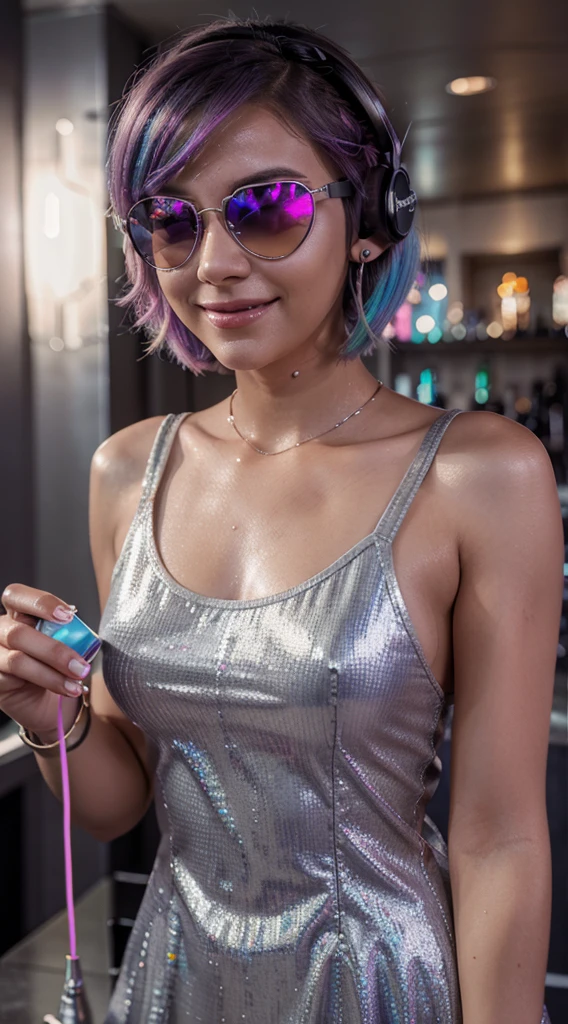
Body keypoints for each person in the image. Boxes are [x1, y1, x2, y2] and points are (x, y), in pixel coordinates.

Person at [0, 18, 562, 1024]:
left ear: (369, 222)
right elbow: (128, 800)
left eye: (264, 208)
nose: (213, 261)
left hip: (375, 985)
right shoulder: (126, 470)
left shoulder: (481, 476)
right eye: (172, 220)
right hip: (170, 979)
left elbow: (498, 838)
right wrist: (54, 721)